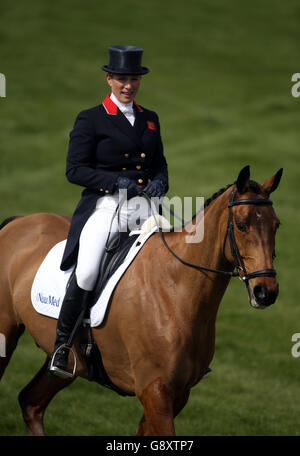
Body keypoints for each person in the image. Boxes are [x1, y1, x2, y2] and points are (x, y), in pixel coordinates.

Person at [48, 45, 169, 378]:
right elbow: (75, 170)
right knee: (87, 271)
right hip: (106, 205)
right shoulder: (91, 118)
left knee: (176, 257)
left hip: (147, 206)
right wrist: (116, 182)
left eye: (133, 79)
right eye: (121, 79)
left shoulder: (150, 119)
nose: (128, 86)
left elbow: (160, 164)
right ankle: (62, 347)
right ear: (109, 79)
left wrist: (160, 183)